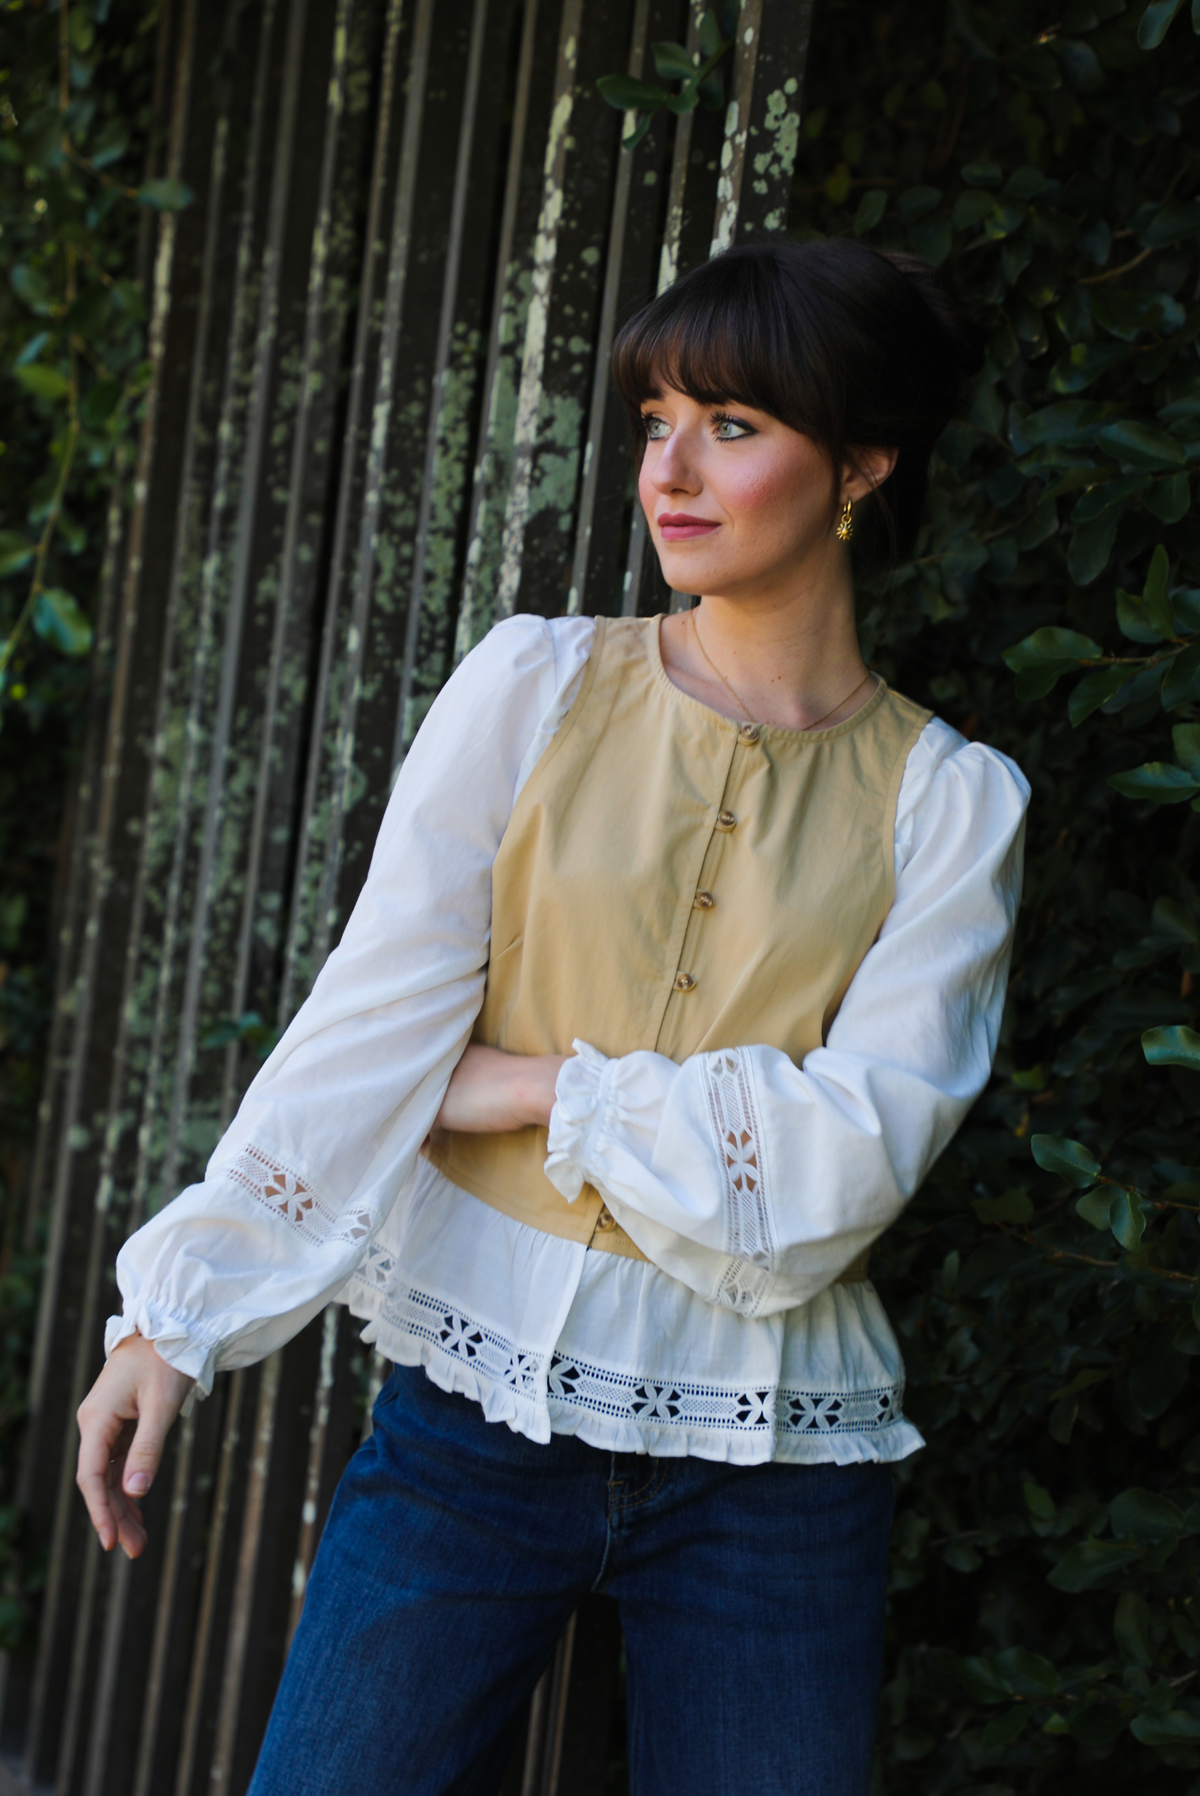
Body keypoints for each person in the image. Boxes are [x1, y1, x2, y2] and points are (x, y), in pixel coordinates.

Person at [76, 237, 1028, 1795]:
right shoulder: (533, 685)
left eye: (733, 425)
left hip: (775, 1469)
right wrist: (174, 1319)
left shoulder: (952, 805)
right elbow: (372, 1028)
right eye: (657, 420)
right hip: (470, 1426)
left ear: (860, 465)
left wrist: (534, 1088)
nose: (670, 471)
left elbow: (844, 1168)